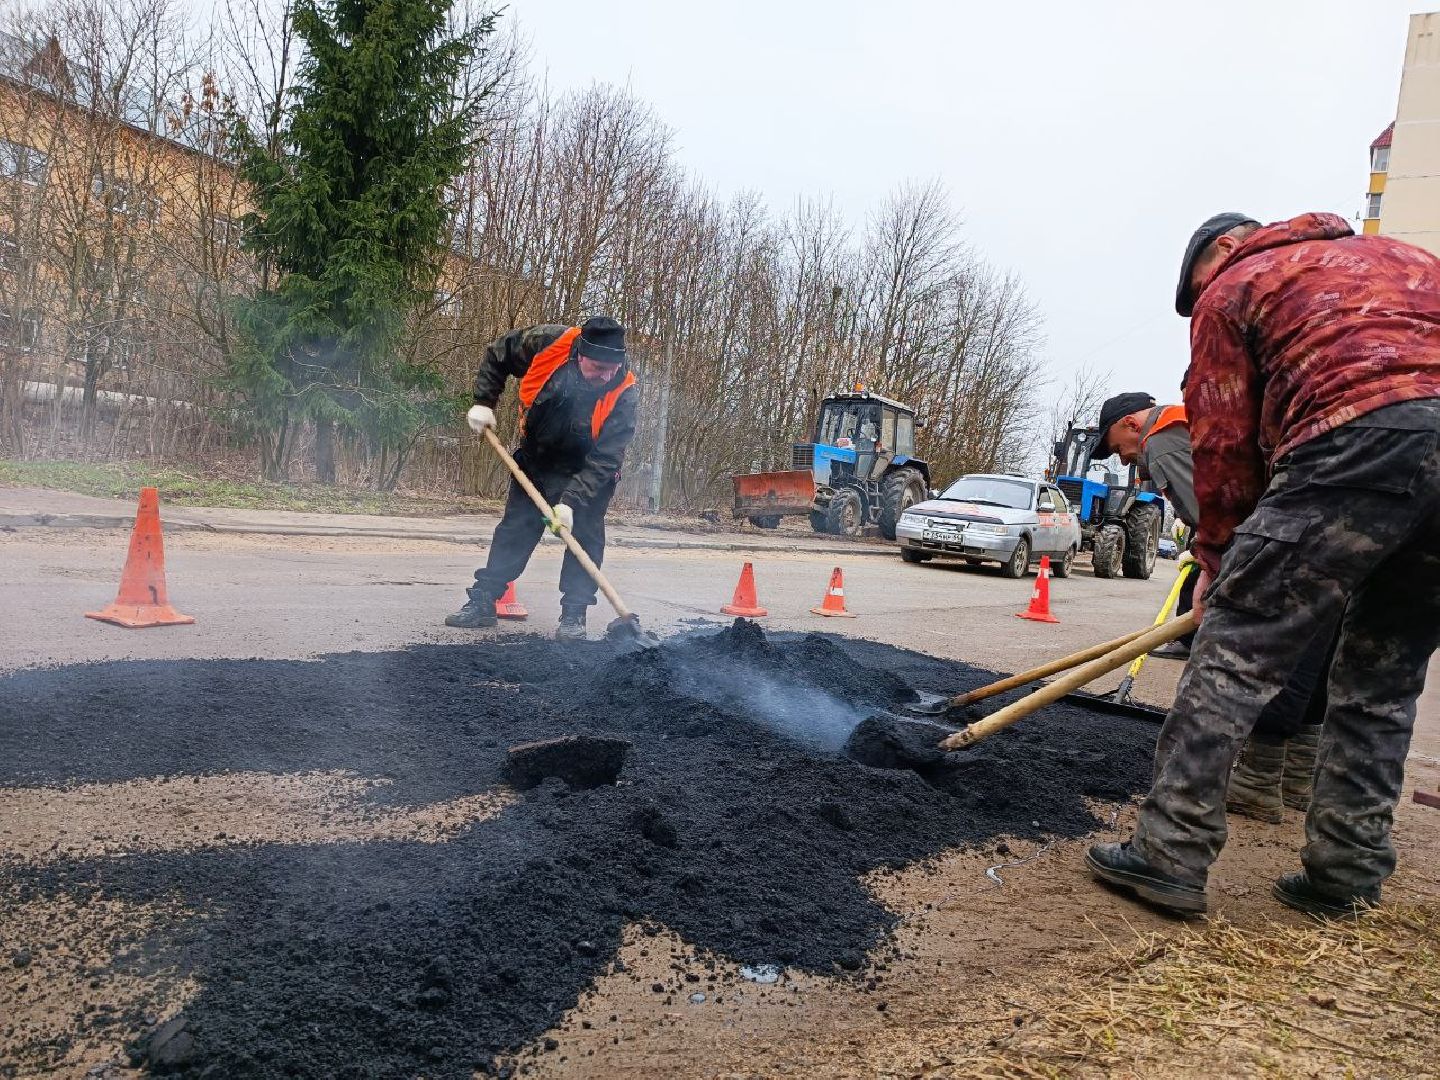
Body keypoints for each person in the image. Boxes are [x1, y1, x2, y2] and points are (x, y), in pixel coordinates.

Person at [1086, 211, 1440, 920]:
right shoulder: (1405, 258)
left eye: (1195, 290)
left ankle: (1169, 853)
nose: (1199, 308)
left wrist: (1219, 559)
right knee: (1383, 676)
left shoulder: (1239, 281)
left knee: (1232, 654)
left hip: (1353, 436)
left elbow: (1222, 445)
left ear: (1222, 248)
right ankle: (1346, 873)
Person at [1096, 391, 1330, 821]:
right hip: (1316, 535)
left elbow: (1212, 513)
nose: (1125, 460)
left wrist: (1214, 567)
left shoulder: (1162, 441)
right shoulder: (1202, 420)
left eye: (1117, 448)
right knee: (1310, 659)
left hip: (1270, 546)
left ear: (1131, 423)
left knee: (1237, 664)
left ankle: (1195, 806)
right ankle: (1294, 783)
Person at [445, 316, 637, 643]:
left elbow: (606, 457)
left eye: (611, 369)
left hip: (587, 470)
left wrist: (570, 503)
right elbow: (498, 353)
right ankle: (484, 600)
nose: (604, 376)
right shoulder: (549, 343)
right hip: (536, 458)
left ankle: (574, 614)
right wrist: (483, 401)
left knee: (585, 538)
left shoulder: (624, 393)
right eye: (597, 368)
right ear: (580, 354)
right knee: (516, 529)